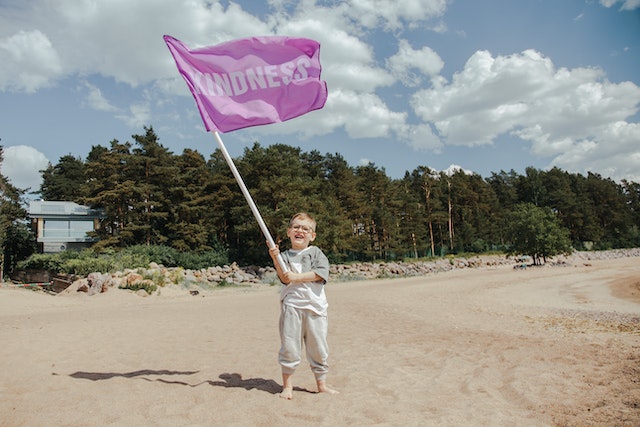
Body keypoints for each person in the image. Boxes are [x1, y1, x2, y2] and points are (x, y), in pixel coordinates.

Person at [268, 212, 339, 400]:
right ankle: (287, 386)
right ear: (289, 232)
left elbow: (320, 274)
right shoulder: (284, 255)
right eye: (296, 227)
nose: (300, 231)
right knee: (290, 347)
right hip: (292, 307)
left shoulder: (316, 253)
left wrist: (298, 277)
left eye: (305, 229)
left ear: (312, 235)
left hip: (316, 308)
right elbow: (284, 278)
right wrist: (275, 258)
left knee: (319, 348)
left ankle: (321, 384)